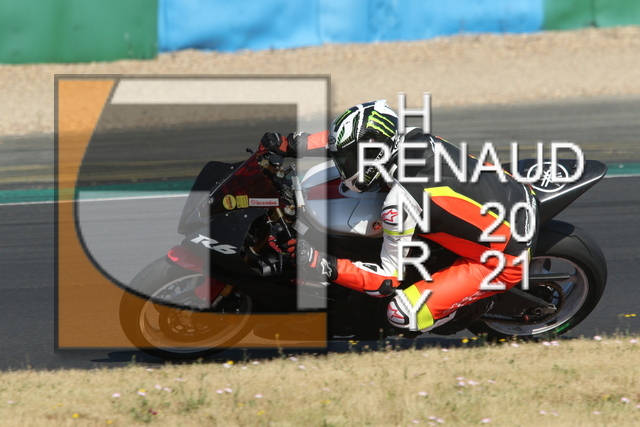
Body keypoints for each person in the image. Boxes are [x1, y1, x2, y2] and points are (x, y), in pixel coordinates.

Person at [259, 100, 538, 333]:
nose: (343, 167)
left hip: (503, 258)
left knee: (401, 315)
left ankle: (479, 305)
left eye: (348, 160)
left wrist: (319, 262)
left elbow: (385, 281)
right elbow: (345, 139)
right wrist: (290, 144)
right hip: (513, 191)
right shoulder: (408, 137)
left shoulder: (400, 204)